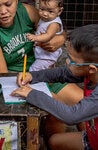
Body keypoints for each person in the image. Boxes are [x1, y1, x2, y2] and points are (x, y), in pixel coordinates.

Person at [11, 24, 98, 150]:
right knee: (54, 142)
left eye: (72, 60)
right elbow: (63, 73)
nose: (67, 62)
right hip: (97, 139)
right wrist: (32, 76)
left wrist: (31, 94)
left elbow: (72, 115)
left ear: (91, 68)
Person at [0, 0, 84, 141]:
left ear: (16, 1)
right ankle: (52, 142)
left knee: (83, 101)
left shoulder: (27, 11)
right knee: (57, 108)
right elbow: (4, 75)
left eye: (8, 4)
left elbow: (54, 25)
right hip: (17, 81)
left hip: (43, 71)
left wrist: (61, 38)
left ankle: (90, 143)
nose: (3, 11)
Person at [27, 0, 64, 71]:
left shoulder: (54, 24)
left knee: (33, 70)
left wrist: (34, 37)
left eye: (50, 11)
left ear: (59, 11)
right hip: (42, 55)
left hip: (47, 57)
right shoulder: (44, 19)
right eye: (42, 9)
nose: (45, 13)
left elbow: (48, 36)